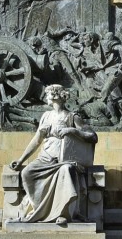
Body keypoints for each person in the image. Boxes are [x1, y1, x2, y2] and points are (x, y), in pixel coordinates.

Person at [9, 84, 97, 224]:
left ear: (56, 95)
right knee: (27, 173)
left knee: (66, 170)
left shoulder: (71, 117)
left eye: (48, 94)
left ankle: (63, 213)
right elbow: (36, 141)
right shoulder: (46, 116)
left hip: (63, 159)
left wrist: (73, 131)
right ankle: (39, 211)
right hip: (45, 157)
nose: (46, 97)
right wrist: (21, 160)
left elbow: (92, 136)